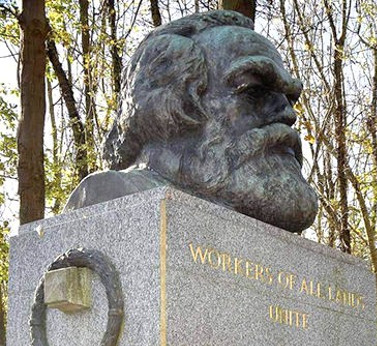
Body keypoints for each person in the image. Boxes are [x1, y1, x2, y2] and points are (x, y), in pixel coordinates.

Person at [65, 10, 318, 233]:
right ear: (172, 105)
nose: (288, 113)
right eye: (253, 90)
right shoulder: (110, 196)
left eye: (290, 97)